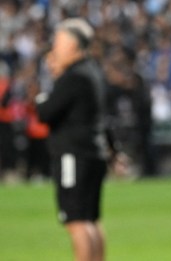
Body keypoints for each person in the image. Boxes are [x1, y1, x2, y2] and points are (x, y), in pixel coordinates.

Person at [34, 18, 110, 261]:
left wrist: (47, 85)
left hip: (73, 155)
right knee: (91, 220)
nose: (54, 49)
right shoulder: (92, 71)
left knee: (76, 222)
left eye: (59, 42)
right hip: (92, 153)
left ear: (73, 46)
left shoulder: (72, 77)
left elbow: (45, 112)